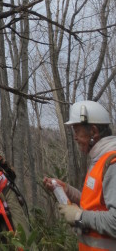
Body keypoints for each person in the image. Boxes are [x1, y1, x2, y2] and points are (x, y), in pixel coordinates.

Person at [43, 100, 116, 250]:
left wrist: (78, 216)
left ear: (93, 132)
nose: (75, 138)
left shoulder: (112, 163)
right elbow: (96, 205)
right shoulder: (100, 160)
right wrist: (66, 190)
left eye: (77, 131)